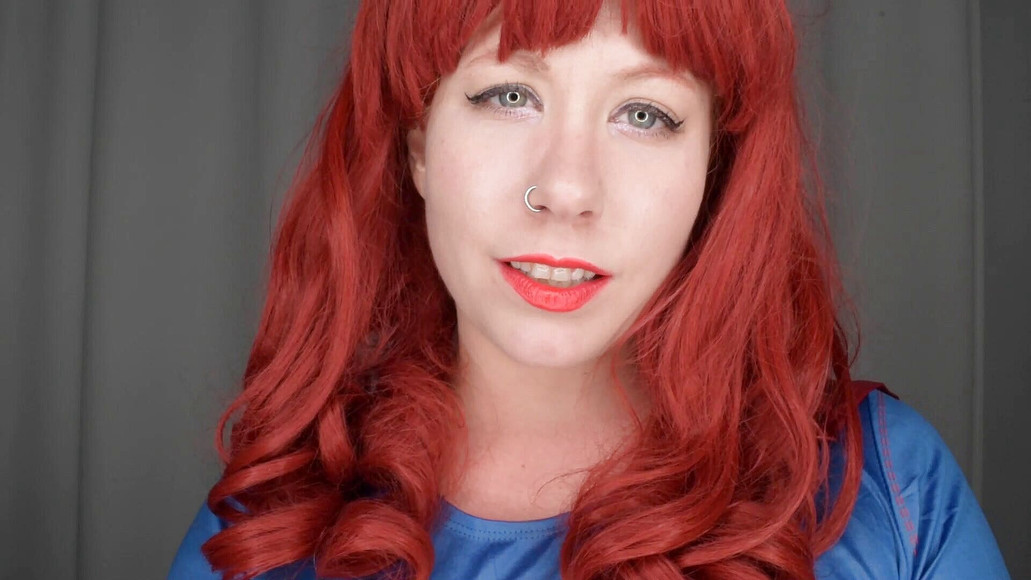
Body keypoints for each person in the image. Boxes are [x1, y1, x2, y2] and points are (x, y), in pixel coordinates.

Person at [169, 0, 1011, 578]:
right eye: (508, 95)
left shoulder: (888, 492)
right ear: (417, 144)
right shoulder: (267, 530)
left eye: (643, 114)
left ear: (712, 169)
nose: (567, 188)